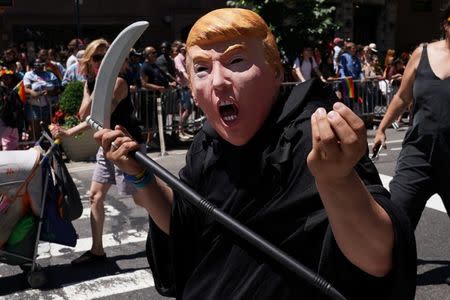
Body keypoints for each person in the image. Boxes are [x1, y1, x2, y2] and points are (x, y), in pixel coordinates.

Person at [95, 8, 416, 299]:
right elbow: (183, 228)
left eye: (236, 61)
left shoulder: (316, 137)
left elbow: (378, 258)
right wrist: (139, 174)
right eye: (202, 69)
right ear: (190, 87)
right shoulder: (205, 145)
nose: (219, 81)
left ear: (276, 71)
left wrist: (337, 181)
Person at [51, 39, 147, 265]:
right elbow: (87, 115)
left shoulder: (120, 82)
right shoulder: (92, 85)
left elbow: (101, 113)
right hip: (107, 147)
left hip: (127, 147)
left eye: (107, 57)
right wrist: (69, 132)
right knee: (95, 196)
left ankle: (171, 234)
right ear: (89, 61)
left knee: (143, 199)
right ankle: (97, 250)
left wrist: (101, 81)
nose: (102, 62)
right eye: (97, 57)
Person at [373, 6, 450, 231]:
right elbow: (402, 97)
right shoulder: (422, 53)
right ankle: (395, 265)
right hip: (419, 155)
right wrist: (381, 129)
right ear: (446, 24)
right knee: (396, 221)